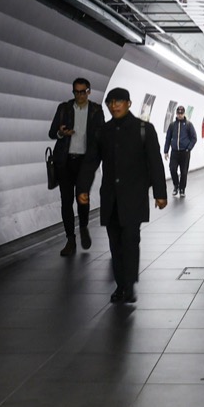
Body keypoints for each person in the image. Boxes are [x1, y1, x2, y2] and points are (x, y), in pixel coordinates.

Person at [81, 87, 167, 303]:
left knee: (130, 239)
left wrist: (160, 193)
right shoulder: (103, 132)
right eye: (111, 102)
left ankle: (127, 286)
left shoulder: (144, 129)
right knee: (115, 243)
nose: (114, 106)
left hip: (134, 197)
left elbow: (155, 162)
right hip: (111, 198)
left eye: (119, 101)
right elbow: (91, 161)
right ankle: (122, 284)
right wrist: (83, 187)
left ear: (128, 103)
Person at [48, 78, 104, 256]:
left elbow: (101, 136)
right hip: (65, 161)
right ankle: (70, 239)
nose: (79, 95)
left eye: (82, 91)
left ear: (89, 91)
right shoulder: (63, 109)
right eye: (76, 92)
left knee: (82, 196)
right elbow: (51, 133)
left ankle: (84, 226)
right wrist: (61, 133)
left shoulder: (96, 110)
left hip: (85, 162)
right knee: (66, 201)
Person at [163, 105, 196, 196]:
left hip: (185, 152)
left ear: (184, 113)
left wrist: (188, 148)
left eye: (181, 113)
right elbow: (168, 138)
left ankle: (182, 189)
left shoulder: (189, 125)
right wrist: (166, 151)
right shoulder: (172, 125)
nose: (180, 115)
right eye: (178, 113)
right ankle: (176, 185)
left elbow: (194, 138)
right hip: (174, 152)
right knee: (172, 169)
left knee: (184, 172)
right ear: (176, 114)